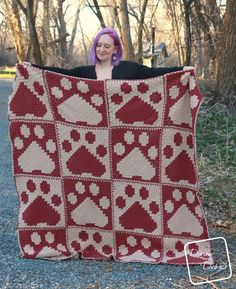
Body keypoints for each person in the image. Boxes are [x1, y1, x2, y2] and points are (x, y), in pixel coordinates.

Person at [33, 27, 184, 80]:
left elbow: (155, 73)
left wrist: (183, 70)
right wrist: (32, 68)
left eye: (106, 46)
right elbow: (59, 74)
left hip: (122, 130)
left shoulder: (129, 69)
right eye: (98, 45)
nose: (101, 49)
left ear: (115, 49)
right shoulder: (85, 72)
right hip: (93, 131)